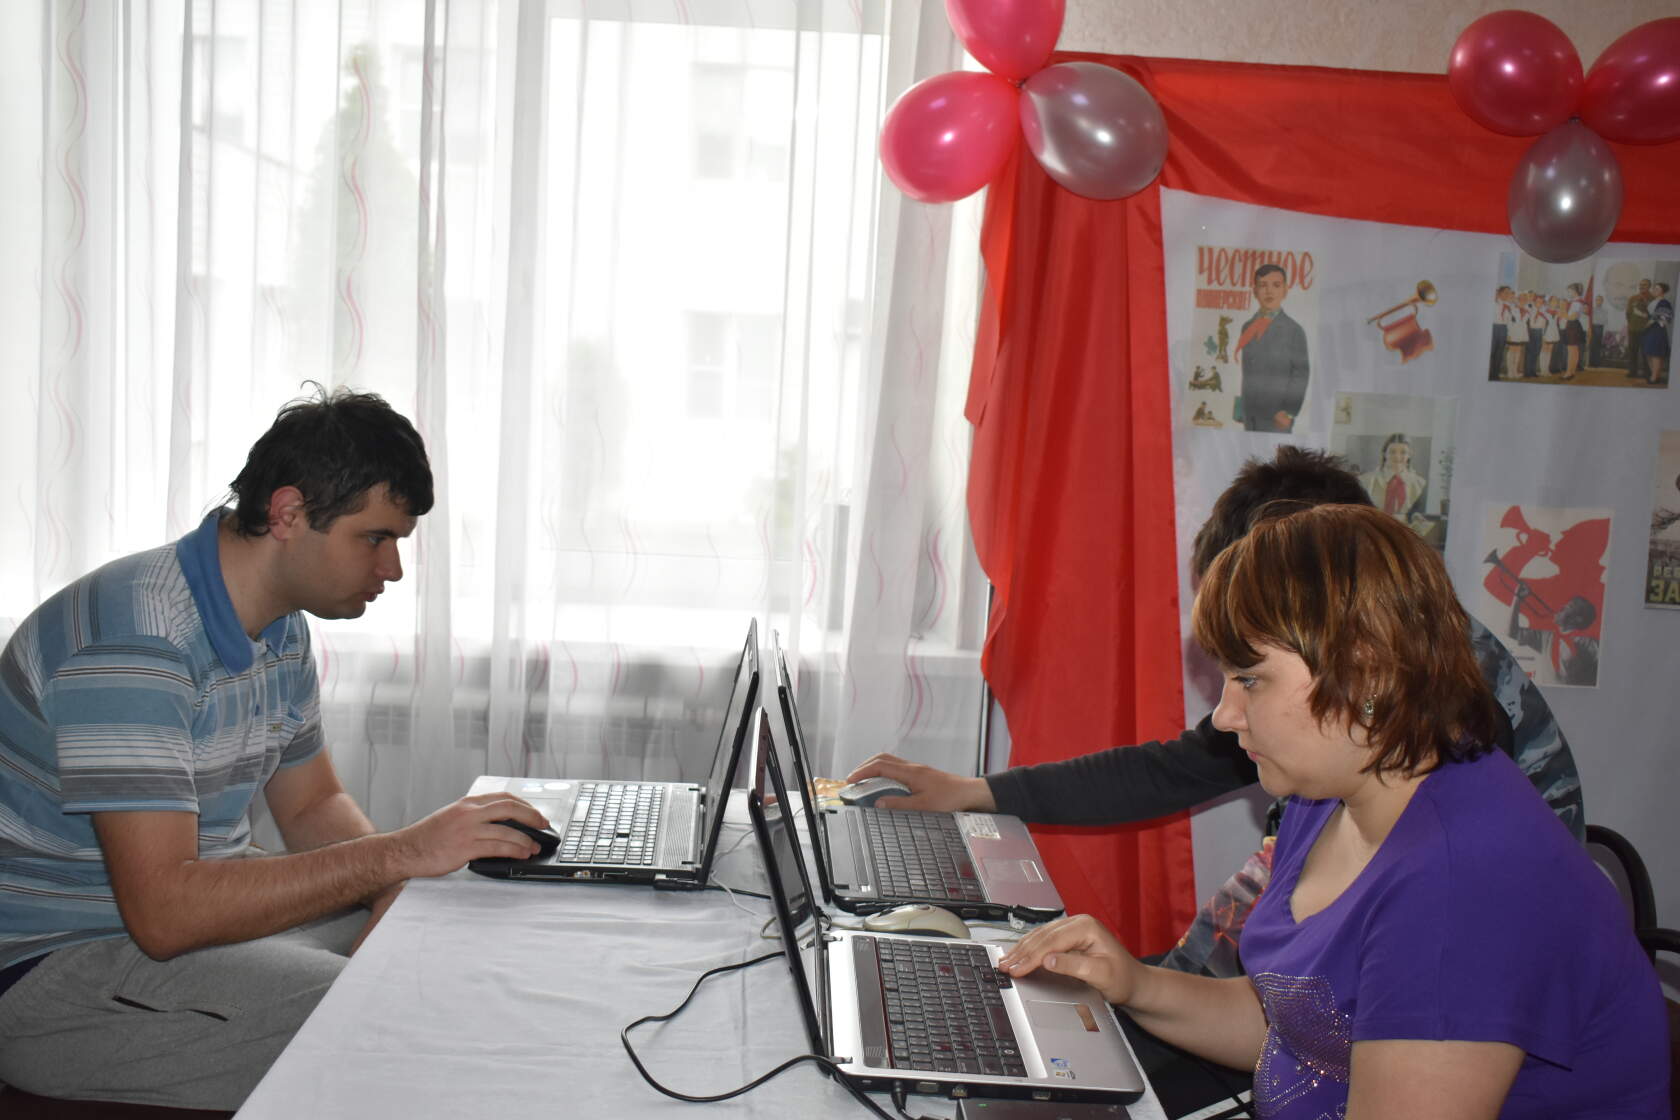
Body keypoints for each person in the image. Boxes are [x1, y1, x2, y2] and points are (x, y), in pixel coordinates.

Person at [995, 504, 1668, 1118]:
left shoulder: (1461, 886)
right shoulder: (1332, 796)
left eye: (1250, 679)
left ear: (1367, 673)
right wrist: (1134, 984)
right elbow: (1302, 1026)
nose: (1225, 715)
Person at [0, 388, 554, 1111]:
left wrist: (392, 885)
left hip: (185, 925)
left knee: (455, 952)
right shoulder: (137, 641)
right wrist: (397, 856)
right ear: (289, 514)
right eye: (375, 538)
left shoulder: (279, 626)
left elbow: (313, 804)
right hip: (58, 976)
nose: (392, 569)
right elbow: (165, 914)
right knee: (409, 1022)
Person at [847, 447, 1585, 977]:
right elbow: (1172, 772)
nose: (1227, 714)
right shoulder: (1329, 731)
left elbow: (1305, 999)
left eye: (1248, 672)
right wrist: (979, 792)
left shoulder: (1452, 793)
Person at [1234, 264, 1310, 432]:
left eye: (1276, 285)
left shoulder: (1294, 330)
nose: (1269, 291)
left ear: (1285, 290)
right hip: (1249, 416)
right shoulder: (1247, 326)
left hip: (1276, 418)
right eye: (1263, 285)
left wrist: (1288, 413)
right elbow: (1249, 372)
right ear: (1255, 291)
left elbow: (1301, 375)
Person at [1359, 433, 1427, 521]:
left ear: (1409, 455)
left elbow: (1415, 511)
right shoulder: (1366, 480)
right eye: (1392, 452)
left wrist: (1415, 516)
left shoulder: (1419, 483)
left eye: (1403, 452)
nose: (1397, 456)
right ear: (1384, 454)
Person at [1641, 281, 1671, 386]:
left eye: (1657, 289)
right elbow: (1649, 315)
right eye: (1654, 288)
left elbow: (1661, 318)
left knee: (1655, 354)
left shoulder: (1664, 302)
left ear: (1662, 291)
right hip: (1650, 330)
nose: (1654, 290)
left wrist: (1646, 325)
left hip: (1657, 330)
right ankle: (1655, 376)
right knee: (1649, 353)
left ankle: (1654, 378)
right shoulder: (1653, 302)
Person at [1626, 278, 1653, 378]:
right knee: (1632, 351)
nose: (1641, 286)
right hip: (1633, 329)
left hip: (1646, 330)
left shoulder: (1653, 299)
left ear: (1649, 286)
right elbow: (1628, 313)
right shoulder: (1633, 298)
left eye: (1644, 284)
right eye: (1640, 284)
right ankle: (1632, 371)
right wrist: (1631, 324)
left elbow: (1653, 315)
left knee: (1646, 351)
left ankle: (1647, 373)